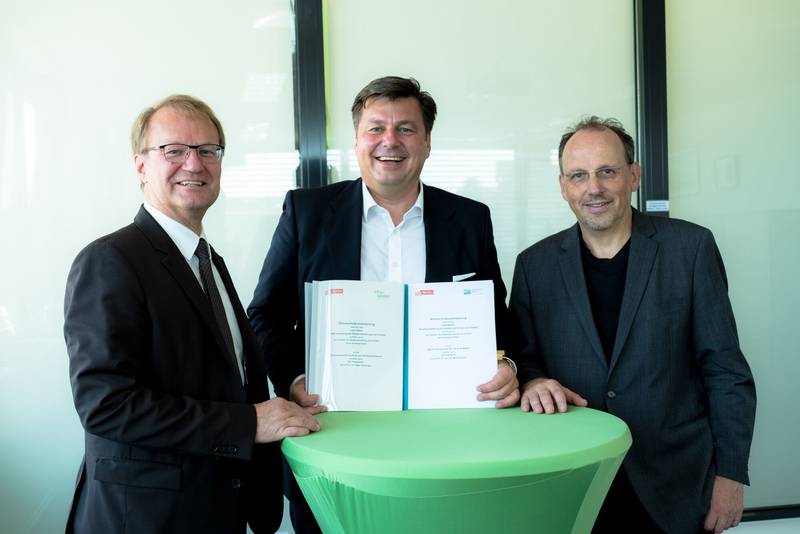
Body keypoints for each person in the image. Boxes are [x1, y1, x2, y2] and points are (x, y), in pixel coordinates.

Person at [248, 76, 519, 533]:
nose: (389, 141)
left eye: (406, 129)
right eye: (375, 128)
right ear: (356, 140)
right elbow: (265, 316)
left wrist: (507, 364)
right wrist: (295, 379)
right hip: (333, 442)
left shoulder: (470, 219)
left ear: (428, 143)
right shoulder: (306, 212)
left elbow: (497, 322)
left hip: (448, 448)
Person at [63, 94, 322, 534]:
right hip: (146, 517)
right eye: (174, 151)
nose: (194, 164)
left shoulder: (208, 260)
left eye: (208, 150)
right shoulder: (111, 259)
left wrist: (289, 394)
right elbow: (106, 404)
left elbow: (226, 374)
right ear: (141, 166)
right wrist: (248, 423)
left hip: (217, 505)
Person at [509, 116, 756, 534]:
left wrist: (731, 476)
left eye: (608, 171)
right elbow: (523, 358)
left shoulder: (690, 249)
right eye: (579, 175)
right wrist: (531, 380)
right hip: (573, 483)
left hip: (675, 486)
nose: (594, 188)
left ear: (634, 176)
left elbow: (726, 370)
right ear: (563, 186)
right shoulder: (534, 266)